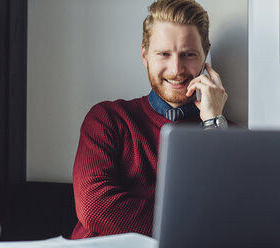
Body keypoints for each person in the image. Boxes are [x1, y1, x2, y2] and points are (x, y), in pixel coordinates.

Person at [70, 0, 228, 239]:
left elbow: (227, 215)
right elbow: (94, 208)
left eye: (188, 54)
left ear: (205, 55)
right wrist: (193, 224)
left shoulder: (226, 134)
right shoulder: (107, 120)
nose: (176, 69)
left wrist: (213, 124)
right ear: (145, 55)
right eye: (164, 54)